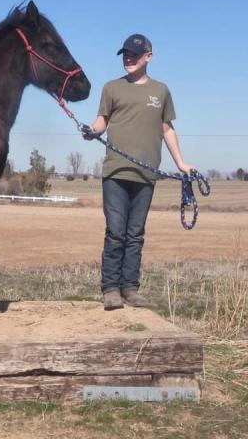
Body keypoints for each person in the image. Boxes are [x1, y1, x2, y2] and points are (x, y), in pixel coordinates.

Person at [83, 33, 196, 311]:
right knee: (116, 232)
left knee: (135, 234)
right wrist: (91, 130)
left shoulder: (161, 91)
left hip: (146, 176)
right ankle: (110, 289)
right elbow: (102, 121)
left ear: (149, 56)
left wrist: (181, 163)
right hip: (116, 172)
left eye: (134, 54)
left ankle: (130, 288)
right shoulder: (112, 88)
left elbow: (166, 129)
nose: (128, 59)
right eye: (125, 54)